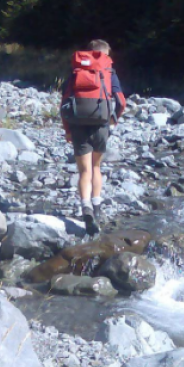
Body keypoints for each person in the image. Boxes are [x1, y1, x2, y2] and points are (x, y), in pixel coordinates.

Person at [61, 39, 126, 235]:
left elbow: (64, 103)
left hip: (78, 126)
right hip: (101, 125)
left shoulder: (75, 73)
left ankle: (86, 208)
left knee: (84, 172)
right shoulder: (109, 73)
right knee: (96, 167)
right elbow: (121, 101)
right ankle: (97, 207)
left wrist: (68, 130)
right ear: (104, 55)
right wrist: (114, 120)